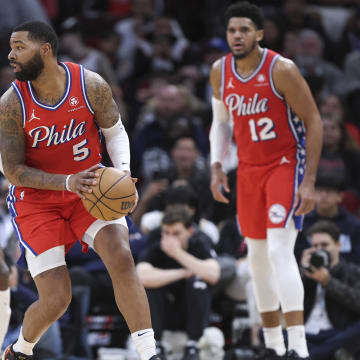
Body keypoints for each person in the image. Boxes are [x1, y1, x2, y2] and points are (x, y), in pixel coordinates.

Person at [0, 21, 159, 360]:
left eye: (19, 47)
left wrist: (124, 174)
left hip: (90, 189)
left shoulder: (90, 84)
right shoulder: (12, 104)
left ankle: (149, 354)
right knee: (57, 298)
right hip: (37, 201)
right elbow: (12, 171)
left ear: (45, 50)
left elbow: (115, 133)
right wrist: (66, 181)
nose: (11, 55)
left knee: (121, 255)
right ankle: (20, 350)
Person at [209, 2, 323, 360]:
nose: (237, 36)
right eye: (232, 30)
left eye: (244, 29)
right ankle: (274, 346)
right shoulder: (219, 71)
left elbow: (314, 121)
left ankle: (299, 347)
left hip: (284, 164)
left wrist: (309, 181)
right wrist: (215, 165)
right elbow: (222, 123)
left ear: (259, 33)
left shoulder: (282, 69)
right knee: (256, 257)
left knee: (278, 250)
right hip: (248, 169)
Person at [136, 206, 220, 360]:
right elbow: (140, 276)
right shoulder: (156, 247)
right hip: (163, 313)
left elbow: (214, 274)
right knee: (151, 286)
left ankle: (193, 344)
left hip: (190, 313)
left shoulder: (199, 244)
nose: (170, 239)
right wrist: (183, 273)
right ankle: (156, 344)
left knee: (198, 283)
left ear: (190, 231)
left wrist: (177, 253)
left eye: (176, 233)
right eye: (166, 233)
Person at [300, 220, 360, 360]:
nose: (320, 250)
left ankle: (309, 356)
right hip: (307, 333)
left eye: (324, 245)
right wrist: (304, 271)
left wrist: (328, 282)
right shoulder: (306, 271)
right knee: (267, 331)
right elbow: (285, 304)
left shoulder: (352, 271)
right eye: (315, 246)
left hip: (336, 333)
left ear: (338, 245)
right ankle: (325, 354)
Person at [295, 170, 360, 266]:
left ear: (340, 196)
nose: (324, 195)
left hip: (344, 275)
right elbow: (297, 254)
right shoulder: (303, 223)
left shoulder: (354, 225)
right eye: (319, 191)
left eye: (329, 191)